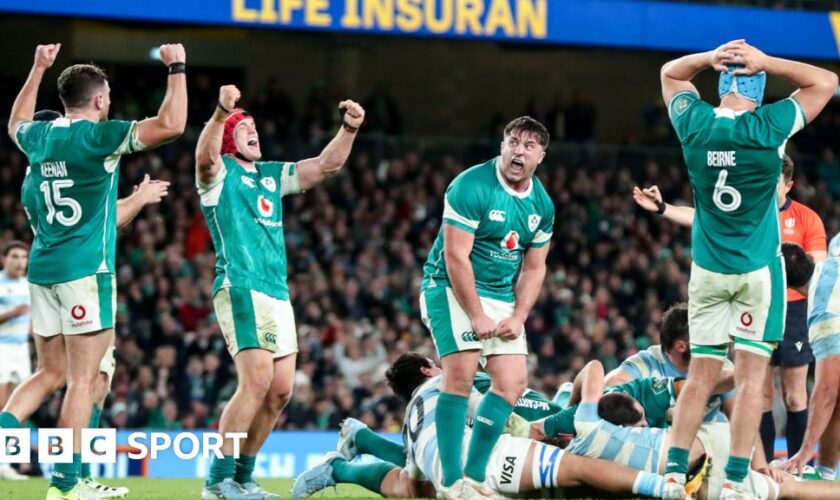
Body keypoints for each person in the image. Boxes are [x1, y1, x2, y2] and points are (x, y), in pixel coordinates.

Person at [5, 42, 187, 500]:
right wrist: (177, 68)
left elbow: (15, 123)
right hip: (86, 273)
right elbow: (172, 125)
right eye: (107, 95)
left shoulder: (39, 142)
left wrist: (37, 67)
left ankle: (56, 465)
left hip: (43, 269)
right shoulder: (97, 138)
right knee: (84, 380)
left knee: (51, 374)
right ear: (101, 99)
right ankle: (67, 484)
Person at [658, 39, 837, 496]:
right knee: (754, 381)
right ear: (758, 89)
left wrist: (705, 58)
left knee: (701, 375)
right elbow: (828, 82)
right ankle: (738, 482)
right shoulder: (768, 126)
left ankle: (674, 474)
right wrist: (771, 62)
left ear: (720, 84)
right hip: (758, 272)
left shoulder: (694, 123)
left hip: (708, 270)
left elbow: (670, 74)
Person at [195, 85, 365, 500]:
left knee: (279, 391)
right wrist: (220, 114)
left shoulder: (271, 175)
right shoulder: (219, 175)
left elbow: (325, 166)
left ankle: (244, 476)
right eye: (244, 128)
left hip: (276, 291)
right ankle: (218, 481)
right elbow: (204, 157)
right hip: (241, 284)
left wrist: (349, 128)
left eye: (255, 126)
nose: (254, 131)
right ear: (229, 139)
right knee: (255, 379)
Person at [633, 155, 827, 461]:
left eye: (774, 182)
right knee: (759, 392)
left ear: (787, 185)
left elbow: (816, 268)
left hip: (792, 312)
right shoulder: (747, 209)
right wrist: (663, 208)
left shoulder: (806, 219)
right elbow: (701, 217)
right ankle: (757, 467)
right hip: (752, 306)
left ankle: (799, 465)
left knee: (794, 394)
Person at [291, 358, 688, 500]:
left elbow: (406, 475)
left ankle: (347, 454)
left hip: (450, 469)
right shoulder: (458, 380)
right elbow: (510, 403)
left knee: (407, 487)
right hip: (494, 456)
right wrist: (550, 421)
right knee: (575, 466)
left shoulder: (416, 417)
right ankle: (658, 486)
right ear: (430, 369)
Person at [419, 116, 555, 498]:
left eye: (529, 146)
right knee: (460, 373)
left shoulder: (542, 204)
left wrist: (519, 315)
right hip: (446, 285)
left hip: (499, 295)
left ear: (541, 156)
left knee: (512, 383)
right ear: (502, 145)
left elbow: (534, 266)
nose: (519, 150)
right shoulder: (470, 185)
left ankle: (475, 479)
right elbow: (455, 256)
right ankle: (450, 481)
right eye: (513, 141)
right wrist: (477, 315)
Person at [573, 360, 840, 500]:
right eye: (641, 422)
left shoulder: (587, 445)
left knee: (788, 489)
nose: (645, 426)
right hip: (709, 450)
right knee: (789, 489)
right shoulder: (588, 422)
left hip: (700, 459)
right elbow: (593, 368)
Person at [778, 240, 840, 480]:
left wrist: (804, 452)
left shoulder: (824, 312)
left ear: (784, 286)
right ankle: (825, 473)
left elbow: (826, 391)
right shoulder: (834, 256)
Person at [0, 240, 31, 481]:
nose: (20, 262)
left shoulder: (29, 285)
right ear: (4, 259)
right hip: (2, 349)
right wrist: (12, 314)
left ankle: (12, 463)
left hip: (21, 351)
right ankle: (3, 464)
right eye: (15, 256)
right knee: (3, 407)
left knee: (21, 408)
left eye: (23, 257)